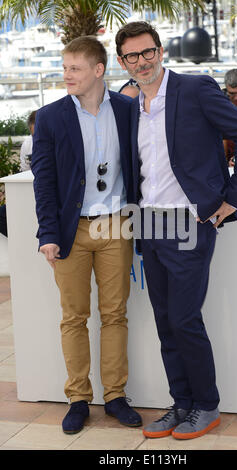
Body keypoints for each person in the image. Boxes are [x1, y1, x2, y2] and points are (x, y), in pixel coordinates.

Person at [115, 21, 237, 440]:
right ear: (123, 62)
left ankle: (207, 405)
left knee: (184, 318)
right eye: (131, 56)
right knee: (164, 320)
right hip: (150, 222)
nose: (141, 62)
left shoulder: (194, 90)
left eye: (147, 52)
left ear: (160, 51)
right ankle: (181, 404)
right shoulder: (131, 106)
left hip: (190, 222)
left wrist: (232, 198)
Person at [31, 35, 142, 435]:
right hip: (70, 230)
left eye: (74, 68)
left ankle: (115, 396)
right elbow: (44, 183)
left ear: (99, 70)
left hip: (117, 225)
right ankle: (78, 398)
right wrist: (48, 233)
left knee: (115, 315)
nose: (67, 75)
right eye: (64, 68)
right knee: (73, 317)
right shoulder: (49, 117)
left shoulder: (130, 110)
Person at [0, 110, 37, 238]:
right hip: (31, 191)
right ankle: (21, 242)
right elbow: (25, 171)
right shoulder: (27, 144)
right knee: (3, 214)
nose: (37, 139)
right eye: (34, 135)